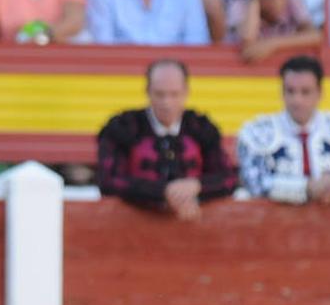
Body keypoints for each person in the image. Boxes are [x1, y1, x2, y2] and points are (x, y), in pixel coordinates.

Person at [96, 59, 237, 221]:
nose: (167, 103)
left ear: (186, 92)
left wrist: (196, 185)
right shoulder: (123, 127)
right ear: (147, 91)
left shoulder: (201, 128)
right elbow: (108, 181)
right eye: (160, 94)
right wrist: (162, 192)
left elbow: (228, 178)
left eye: (174, 94)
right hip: (135, 224)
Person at [237, 54, 330, 206]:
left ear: (320, 93)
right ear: (282, 92)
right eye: (290, 91)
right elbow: (254, 183)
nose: (297, 100)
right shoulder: (258, 132)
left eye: (305, 92)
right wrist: (307, 188)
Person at [232, 0, 321, 61]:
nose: (276, 0)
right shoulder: (240, 4)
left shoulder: (292, 0)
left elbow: (316, 36)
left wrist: (272, 44)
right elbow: (247, 40)